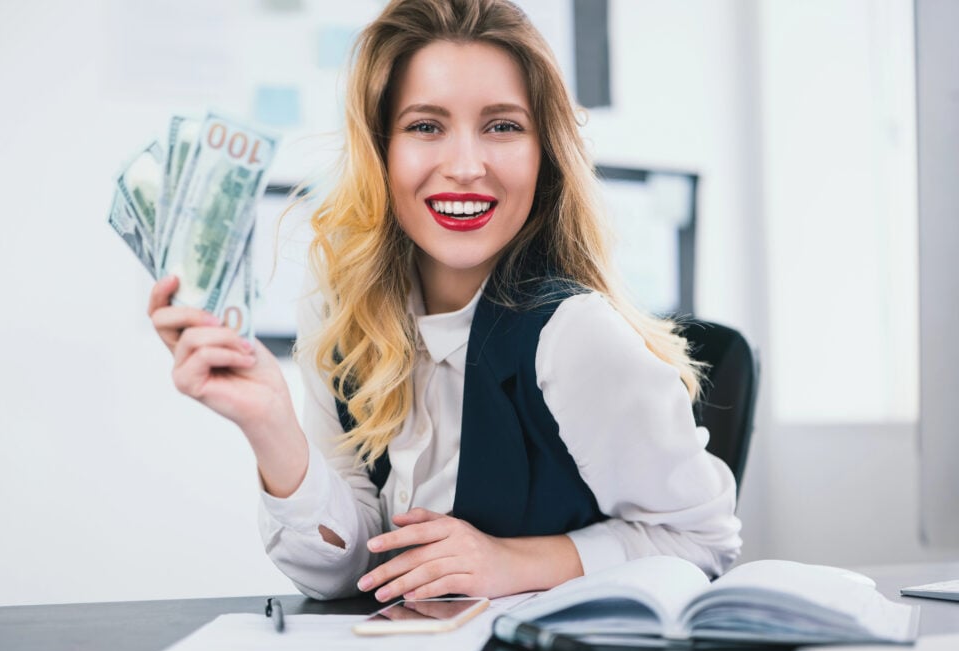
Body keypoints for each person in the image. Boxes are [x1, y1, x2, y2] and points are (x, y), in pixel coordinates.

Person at [148, 0, 741, 602]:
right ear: (380, 151)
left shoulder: (576, 336)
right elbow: (344, 571)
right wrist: (269, 423)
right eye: (425, 126)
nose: (464, 166)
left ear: (546, 153)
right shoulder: (343, 315)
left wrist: (512, 563)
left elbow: (704, 543)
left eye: (503, 126)